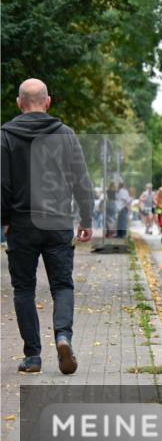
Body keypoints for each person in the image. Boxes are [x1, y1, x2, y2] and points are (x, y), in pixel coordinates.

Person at [1, 78, 94, 374]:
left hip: (21, 222)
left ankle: (33, 357)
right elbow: (81, 179)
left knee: (24, 288)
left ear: (19, 103)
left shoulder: (5, 136)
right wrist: (87, 218)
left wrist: (4, 220)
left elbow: (2, 184)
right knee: (63, 285)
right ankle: (63, 337)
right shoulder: (65, 134)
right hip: (57, 221)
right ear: (48, 101)